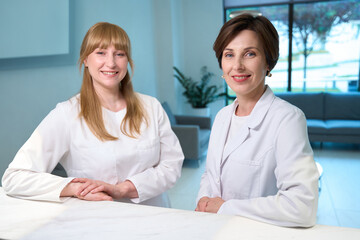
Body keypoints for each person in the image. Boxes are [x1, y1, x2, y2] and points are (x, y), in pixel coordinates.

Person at [2, 22, 184, 207]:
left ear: (127, 61)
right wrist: (74, 188)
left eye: (119, 54)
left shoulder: (151, 107)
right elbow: (15, 177)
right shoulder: (67, 113)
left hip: (154, 220)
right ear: (85, 61)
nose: (111, 63)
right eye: (101, 53)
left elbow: (172, 165)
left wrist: (123, 189)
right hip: (96, 222)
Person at [195, 14, 319, 227]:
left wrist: (225, 208)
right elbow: (211, 174)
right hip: (215, 229)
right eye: (229, 55)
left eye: (249, 54)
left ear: (268, 62)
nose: (238, 66)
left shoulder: (287, 119)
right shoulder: (223, 116)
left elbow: (301, 206)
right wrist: (203, 201)